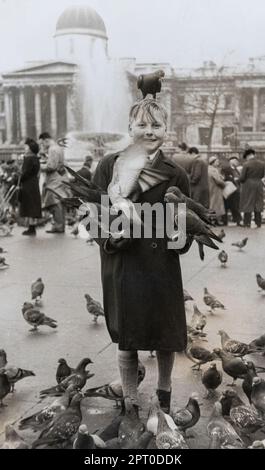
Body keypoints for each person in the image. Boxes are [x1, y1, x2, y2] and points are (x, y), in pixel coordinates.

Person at [91, 98, 193, 414]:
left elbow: (186, 222)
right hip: (123, 263)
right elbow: (93, 215)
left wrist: (180, 238)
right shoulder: (109, 165)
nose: (149, 131)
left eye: (156, 125)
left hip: (160, 263)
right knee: (128, 335)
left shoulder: (176, 172)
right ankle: (131, 399)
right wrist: (110, 238)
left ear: (167, 129)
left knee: (165, 333)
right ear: (130, 128)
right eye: (142, 125)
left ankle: (164, 391)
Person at [39, 132, 68, 233]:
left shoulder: (52, 149)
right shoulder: (58, 148)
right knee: (57, 203)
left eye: (42, 143)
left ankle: (58, 226)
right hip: (59, 178)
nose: (42, 146)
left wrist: (40, 167)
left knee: (54, 203)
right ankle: (59, 225)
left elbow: (51, 166)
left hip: (54, 180)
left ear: (46, 140)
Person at [19, 138, 42, 236]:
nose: (25, 148)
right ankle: (32, 227)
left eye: (26, 146)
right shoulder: (36, 158)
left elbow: (24, 173)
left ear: (30, 148)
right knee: (33, 204)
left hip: (27, 184)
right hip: (34, 183)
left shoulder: (28, 158)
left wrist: (19, 179)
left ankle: (31, 228)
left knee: (28, 204)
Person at [239, 148, 265, 228]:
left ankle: (247, 223)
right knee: (258, 202)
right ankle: (258, 222)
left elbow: (242, 178)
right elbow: (262, 175)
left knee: (248, 202)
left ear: (247, 156)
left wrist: (240, 180)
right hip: (259, 183)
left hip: (248, 184)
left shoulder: (246, 164)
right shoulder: (262, 163)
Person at [221, 156, 242, 226]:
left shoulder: (236, 170)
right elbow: (223, 178)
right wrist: (232, 179)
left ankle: (237, 220)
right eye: (235, 161)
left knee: (236, 206)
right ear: (231, 161)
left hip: (236, 190)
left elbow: (240, 178)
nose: (237, 162)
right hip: (229, 190)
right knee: (226, 205)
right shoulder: (226, 169)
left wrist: (237, 180)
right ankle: (225, 221)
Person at [208, 155, 226, 224]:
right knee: (215, 205)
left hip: (211, 188)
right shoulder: (213, 170)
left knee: (212, 204)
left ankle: (213, 220)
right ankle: (215, 220)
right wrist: (224, 184)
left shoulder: (209, 169)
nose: (218, 163)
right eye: (217, 161)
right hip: (216, 189)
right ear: (213, 162)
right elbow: (218, 180)